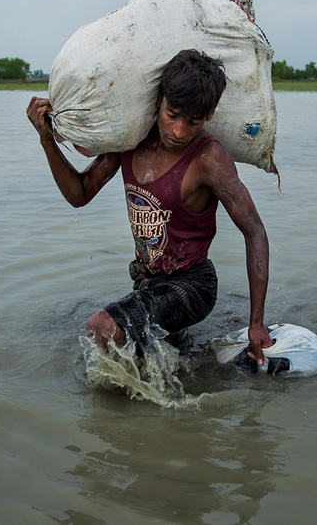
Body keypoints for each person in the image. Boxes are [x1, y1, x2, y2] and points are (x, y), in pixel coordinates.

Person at [26, 49, 273, 365]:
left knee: (102, 327)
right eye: (172, 114)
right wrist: (48, 141)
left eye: (193, 121)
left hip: (193, 285)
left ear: (209, 114)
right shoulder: (130, 142)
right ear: (159, 101)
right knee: (164, 361)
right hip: (148, 281)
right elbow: (80, 193)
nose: (178, 131)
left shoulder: (209, 160)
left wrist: (256, 322)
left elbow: (255, 232)